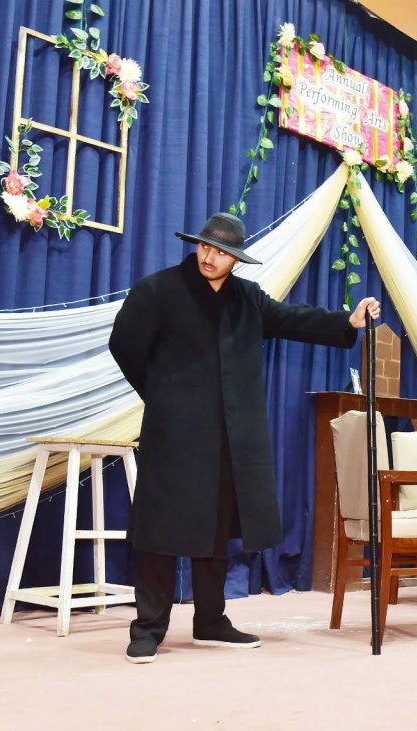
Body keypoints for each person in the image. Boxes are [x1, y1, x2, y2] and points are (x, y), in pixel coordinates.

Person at [109, 212, 380, 663]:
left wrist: (347, 322)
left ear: (235, 259)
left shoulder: (246, 298)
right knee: (159, 533)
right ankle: (147, 629)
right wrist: (162, 395)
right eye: (205, 247)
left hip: (229, 439)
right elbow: (124, 344)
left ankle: (210, 621)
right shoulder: (158, 290)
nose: (209, 257)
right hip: (173, 434)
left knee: (215, 532)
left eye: (221, 252)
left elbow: (292, 319)